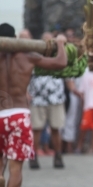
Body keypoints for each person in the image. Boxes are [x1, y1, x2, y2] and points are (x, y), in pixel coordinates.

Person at [0, 23, 67, 187]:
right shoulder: (27, 56)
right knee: (16, 167)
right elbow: (60, 63)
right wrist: (61, 44)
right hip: (19, 114)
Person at [28, 31, 67, 169]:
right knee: (36, 129)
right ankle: (34, 156)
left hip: (56, 97)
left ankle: (58, 155)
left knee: (56, 128)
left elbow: (64, 63)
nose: (49, 43)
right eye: (46, 40)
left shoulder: (60, 54)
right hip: (38, 98)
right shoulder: (33, 56)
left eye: (51, 41)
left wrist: (61, 44)